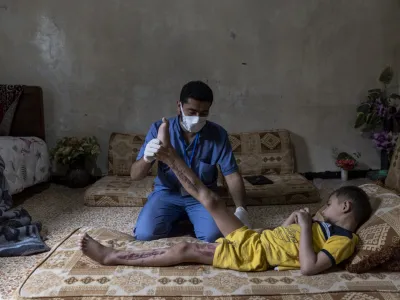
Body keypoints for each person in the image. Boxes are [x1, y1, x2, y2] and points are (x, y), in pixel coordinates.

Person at [81, 118, 372, 275]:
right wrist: (294, 221)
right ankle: (169, 158)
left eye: (330, 204)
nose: (326, 207)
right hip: (257, 238)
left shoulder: (345, 240)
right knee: (211, 200)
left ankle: (112, 257)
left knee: (187, 248)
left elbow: (308, 267)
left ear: (346, 207)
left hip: (254, 254)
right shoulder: (327, 228)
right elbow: (287, 241)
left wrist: (307, 227)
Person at [130, 81, 249, 242]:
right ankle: (184, 223)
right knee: (145, 235)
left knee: (213, 237)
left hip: (202, 196)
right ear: (179, 106)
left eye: (203, 113)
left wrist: (241, 208)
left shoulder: (218, 134)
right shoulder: (159, 128)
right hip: (167, 193)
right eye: (192, 112)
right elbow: (135, 175)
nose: (197, 118)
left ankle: (192, 222)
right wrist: (147, 158)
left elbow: (232, 174)